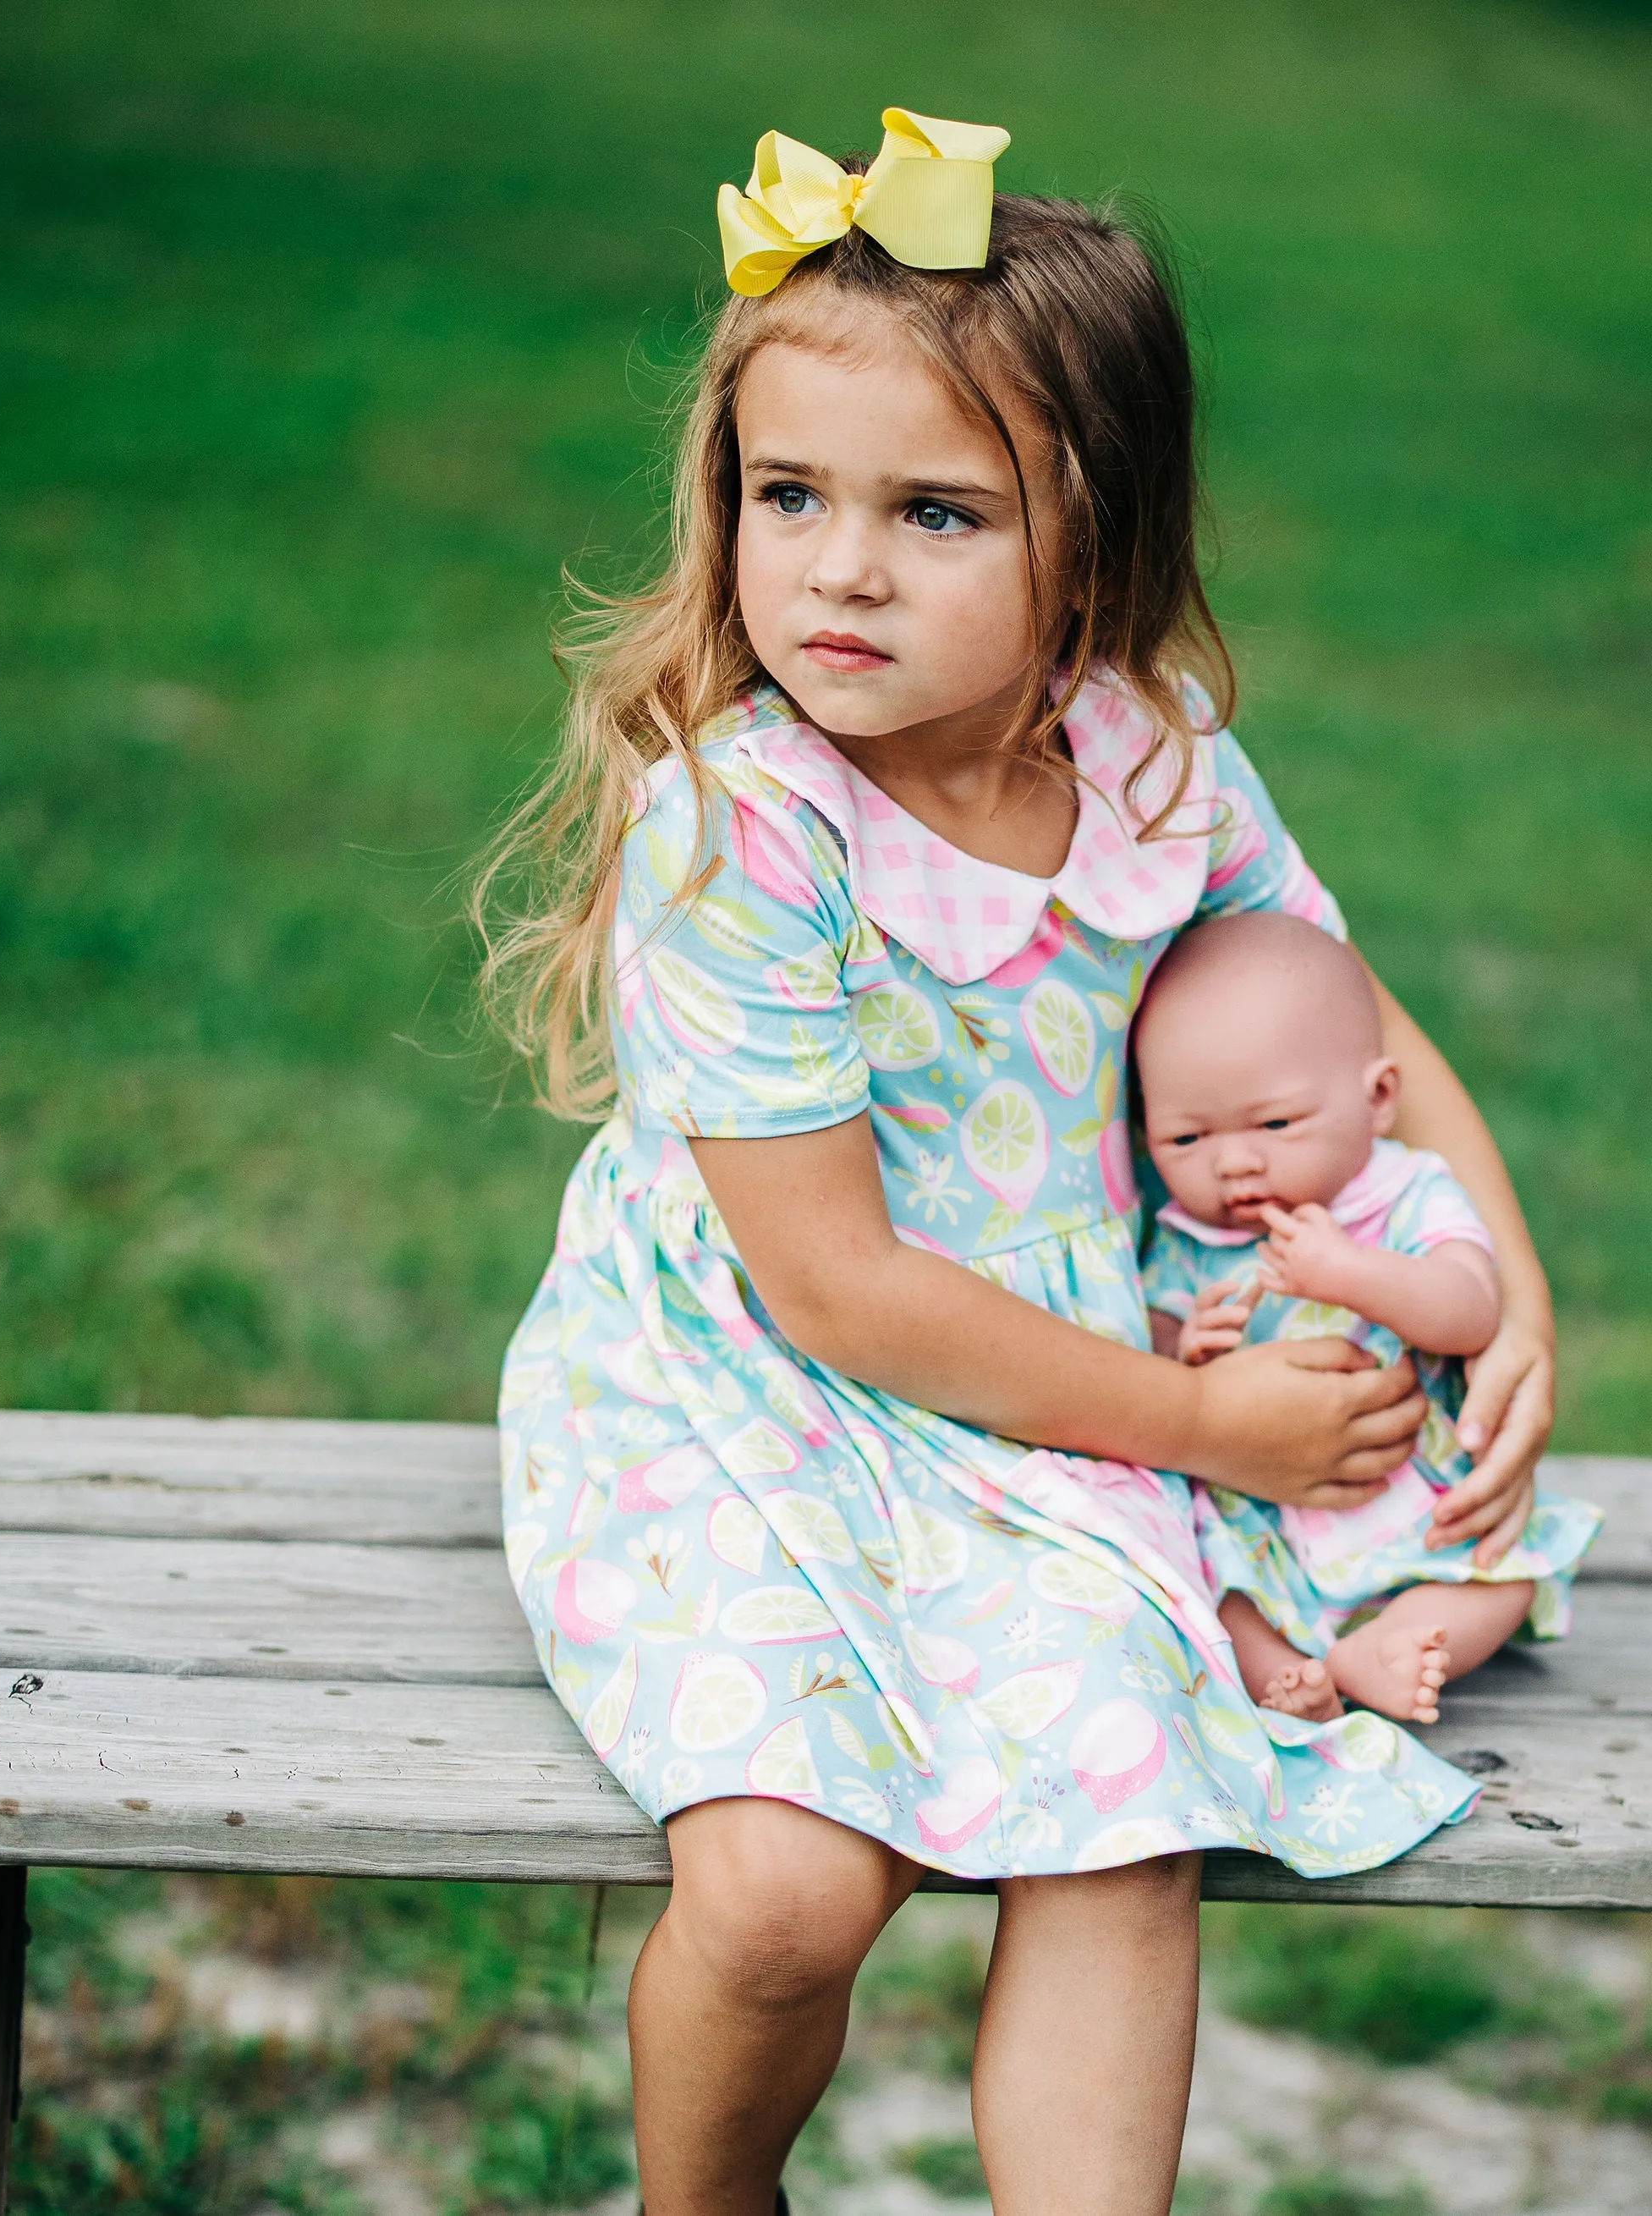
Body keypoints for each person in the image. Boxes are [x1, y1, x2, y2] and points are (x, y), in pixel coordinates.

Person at [479, 108, 1556, 2216]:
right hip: (756, 1397)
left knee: (1119, 1811)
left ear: (1096, 537)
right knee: (784, 1891)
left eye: (935, 513)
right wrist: (1208, 1432)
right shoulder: (743, 832)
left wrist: (1508, 1296)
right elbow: (836, 1291)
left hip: (1055, 1398)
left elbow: (1356, 1015)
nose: (838, 567)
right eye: (784, 494)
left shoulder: (1140, 749)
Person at [1136, 912, 1597, 1728]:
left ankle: (1387, 1649)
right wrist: (1185, 1348)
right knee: (1211, 1583)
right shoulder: (1191, 1237)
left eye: (1274, 1124)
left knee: (1501, 1576)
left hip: (1417, 1508)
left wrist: (1350, 1272)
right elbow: (1156, 1342)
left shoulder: (1407, 1193)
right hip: (1266, 1528)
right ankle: (1287, 1676)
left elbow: (1470, 1310)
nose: (1234, 1161)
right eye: (1186, 1136)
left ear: (1378, 1098)